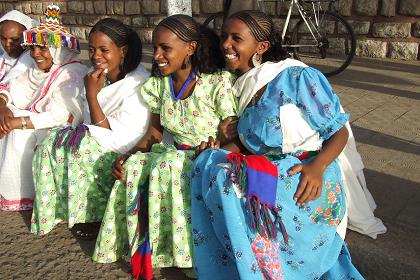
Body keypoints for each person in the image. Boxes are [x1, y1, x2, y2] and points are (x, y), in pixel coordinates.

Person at [191, 10, 364, 279]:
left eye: (236, 38)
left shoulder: (296, 78)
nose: (226, 44)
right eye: (224, 36)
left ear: (261, 47)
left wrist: (317, 167)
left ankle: (272, 269)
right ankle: (243, 265)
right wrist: (215, 151)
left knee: (233, 185)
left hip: (305, 170)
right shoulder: (236, 86)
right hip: (270, 169)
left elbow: (338, 131)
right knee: (208, 166)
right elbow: (247, 144)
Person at [93, 14, 238, 279]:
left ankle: (187, 255)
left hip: (206, 158)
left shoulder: (216, 84)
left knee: (167, 166)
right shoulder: (160, 85)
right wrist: (129, 155)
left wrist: (217, 147)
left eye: (165, 48)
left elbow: (232, 133)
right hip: (174, 153)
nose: (157, 55)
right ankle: (149, 248)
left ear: (190, 48)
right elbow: (154, 134)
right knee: (136, 167)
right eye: (155, 48)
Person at [30, 18, 150, 237]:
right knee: (51, 141)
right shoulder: (97, 77)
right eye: (93, 49)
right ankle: (60, 209)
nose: (96, 56)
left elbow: (124, 135)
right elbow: (86, 121)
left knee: (82, 147)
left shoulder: (138, 84)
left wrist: (92, 96)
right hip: (100, 136)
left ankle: (95, 216)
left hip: (127, 148)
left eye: (104, 50)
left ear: (122, 51)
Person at [0, 4, 87, 211]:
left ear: (57, 49)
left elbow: (60, 115)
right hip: (36, 121)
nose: (36, 54)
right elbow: (15, 90)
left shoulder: (71, 72)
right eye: (33, 48)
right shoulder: (37, 69)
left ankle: (23, 194)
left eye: (43, 48)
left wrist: (16, 121)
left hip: (60, 128)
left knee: (17, 130)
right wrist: (4, 108)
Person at [0, 10, 36, 84]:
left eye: (15, 39)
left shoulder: (32, 60)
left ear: (27, 37)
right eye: (3, 38)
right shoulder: (4, 57)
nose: (7, 44)